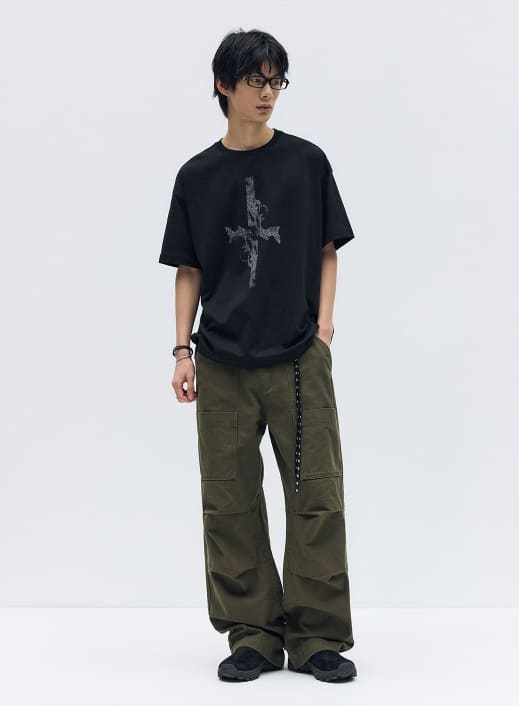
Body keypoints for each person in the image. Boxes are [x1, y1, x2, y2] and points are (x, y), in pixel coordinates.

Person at [158, 28, 358, 683]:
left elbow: (327, 248)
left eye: (276, 81)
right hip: (220, 360)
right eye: (255, 81)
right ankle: (252, 635)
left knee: (316, 496)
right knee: (229, 502)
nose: (268, 93)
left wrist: (324, 327)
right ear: (224, 85)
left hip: (299, 357)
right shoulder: (197, 176)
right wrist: (182, 350)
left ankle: (317, 636)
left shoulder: (306, 162)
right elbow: (188, 268)